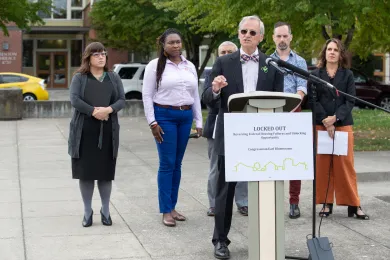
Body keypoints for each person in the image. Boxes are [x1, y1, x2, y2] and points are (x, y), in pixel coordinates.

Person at [202, 15, 284, 259]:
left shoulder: (272, 63)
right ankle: (220, 240)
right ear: (239, 35)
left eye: (252, 32)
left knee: (263, 188)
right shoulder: (224, 62)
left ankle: (265, 239)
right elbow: (207, 97)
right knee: (224, 191)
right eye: (243, 32)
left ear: (260, 37)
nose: (247, 35)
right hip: (232, 135)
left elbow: (280, 98)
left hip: (262, 137)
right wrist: (215, 89)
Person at [142, 28, 203, 227]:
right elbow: (147, 95)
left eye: (178, 42)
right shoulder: (155, 66)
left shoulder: (189, 66)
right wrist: (152, 122)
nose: (176, 45)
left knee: (177, 164)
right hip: (164, 117)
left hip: (185, 117)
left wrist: (199, 121)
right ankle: (165, 210)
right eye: (171, 42)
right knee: (167, 164)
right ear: (163, 45)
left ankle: (173, 206)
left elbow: (195, 96)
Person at [311, 38, 369, 220]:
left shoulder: (348, 75)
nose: (332, 52)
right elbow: (313, 100)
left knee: (345, 166)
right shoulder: (315, 74)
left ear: (340, 54)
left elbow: (350, 100)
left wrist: (335, 119)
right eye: (329, 49)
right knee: (323, 166)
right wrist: (325, 121)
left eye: (336, 49)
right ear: (324, 52)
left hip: (342, 125)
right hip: (321, 125)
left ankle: (353, 203)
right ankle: (326, 204)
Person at [68, 42, 125, 227]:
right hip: (84, 132)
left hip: (107, 131)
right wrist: (94, 111)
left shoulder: (113, 77)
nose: (101, 57)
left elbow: (121, 100)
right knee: (85, 174)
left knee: (105, 174)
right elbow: (74, 100)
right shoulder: (79, 78)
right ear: (88, 57)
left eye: (103, 54)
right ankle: (87, 211)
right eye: (96, 54)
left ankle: (106, 210)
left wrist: (108, 109)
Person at [203, 41, 249, 217]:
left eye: (230, 51)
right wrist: (215, 89)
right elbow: (206, 97)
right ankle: (214, 204)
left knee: (243, 165)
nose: (225, 54)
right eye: (222, 51)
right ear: (217, 54)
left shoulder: (242, 73)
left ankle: (243, 201)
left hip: (241, 126)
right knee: (216, 167)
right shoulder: (212, 72)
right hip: (218, 125)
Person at [270, 21, 308, 219]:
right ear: (273, 38)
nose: (282, 39)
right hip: (272, 113)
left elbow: (302, 87)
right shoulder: (268, 61)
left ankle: (294, 202)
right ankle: (274, 200)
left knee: (294, 160)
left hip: (294, 112)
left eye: (285, 36)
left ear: (291, 37)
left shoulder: (299, 61)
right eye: (279, 36)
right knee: (273, 158)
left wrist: (292, 105)